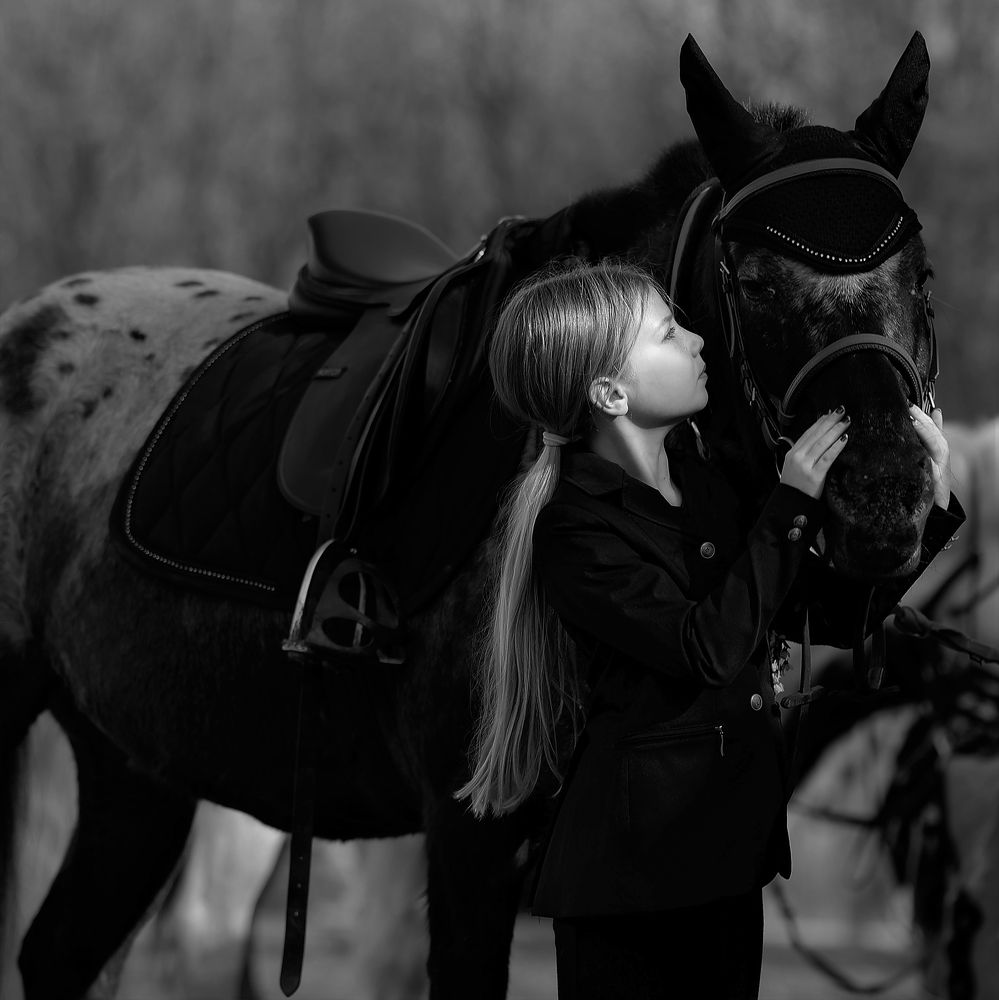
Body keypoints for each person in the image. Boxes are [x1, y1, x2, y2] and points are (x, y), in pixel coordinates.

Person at [455, 259, 963, 999]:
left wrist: (932, 509)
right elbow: (706, 647)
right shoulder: (575, 530)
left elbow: (825, 616)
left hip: (725, 865)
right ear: (610, 393)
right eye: (668, 334)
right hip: (631, 891)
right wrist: (790, 505)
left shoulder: (706, 488)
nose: (698, 342)